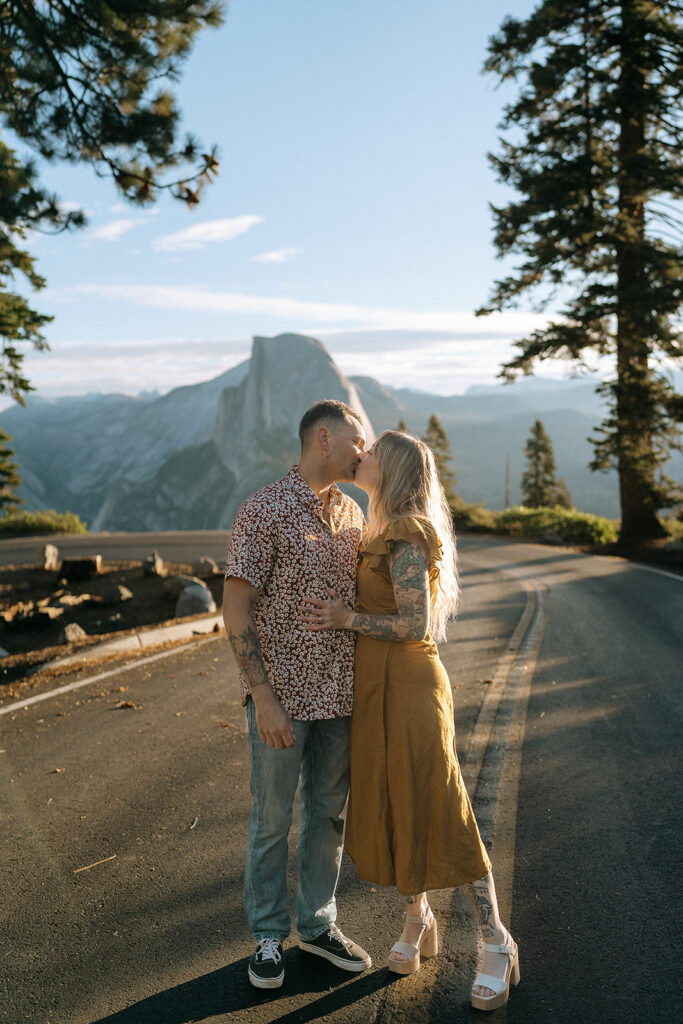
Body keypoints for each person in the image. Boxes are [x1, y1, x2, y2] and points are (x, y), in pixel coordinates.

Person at [299, 430, 520, 1012]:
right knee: (394, 799)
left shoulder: (404, 537)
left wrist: (347, 618)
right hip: (377, 689)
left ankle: (496, 939)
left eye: (369, 453)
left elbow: (416, 626)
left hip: (412, 686)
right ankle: (418, 917)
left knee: (439, 801)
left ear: (390, 470)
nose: (359, 455)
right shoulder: (376, 527)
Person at [222, 399, 372, 990]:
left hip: (340, 696)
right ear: (325, 439)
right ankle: (266, 936)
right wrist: (262, 698)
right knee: (271, 819)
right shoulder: (264, 510)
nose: (364, 452)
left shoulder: (354, 515)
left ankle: (316, 924)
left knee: (327, 815)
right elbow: (235, 610)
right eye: (358, 441)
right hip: (281, 699)